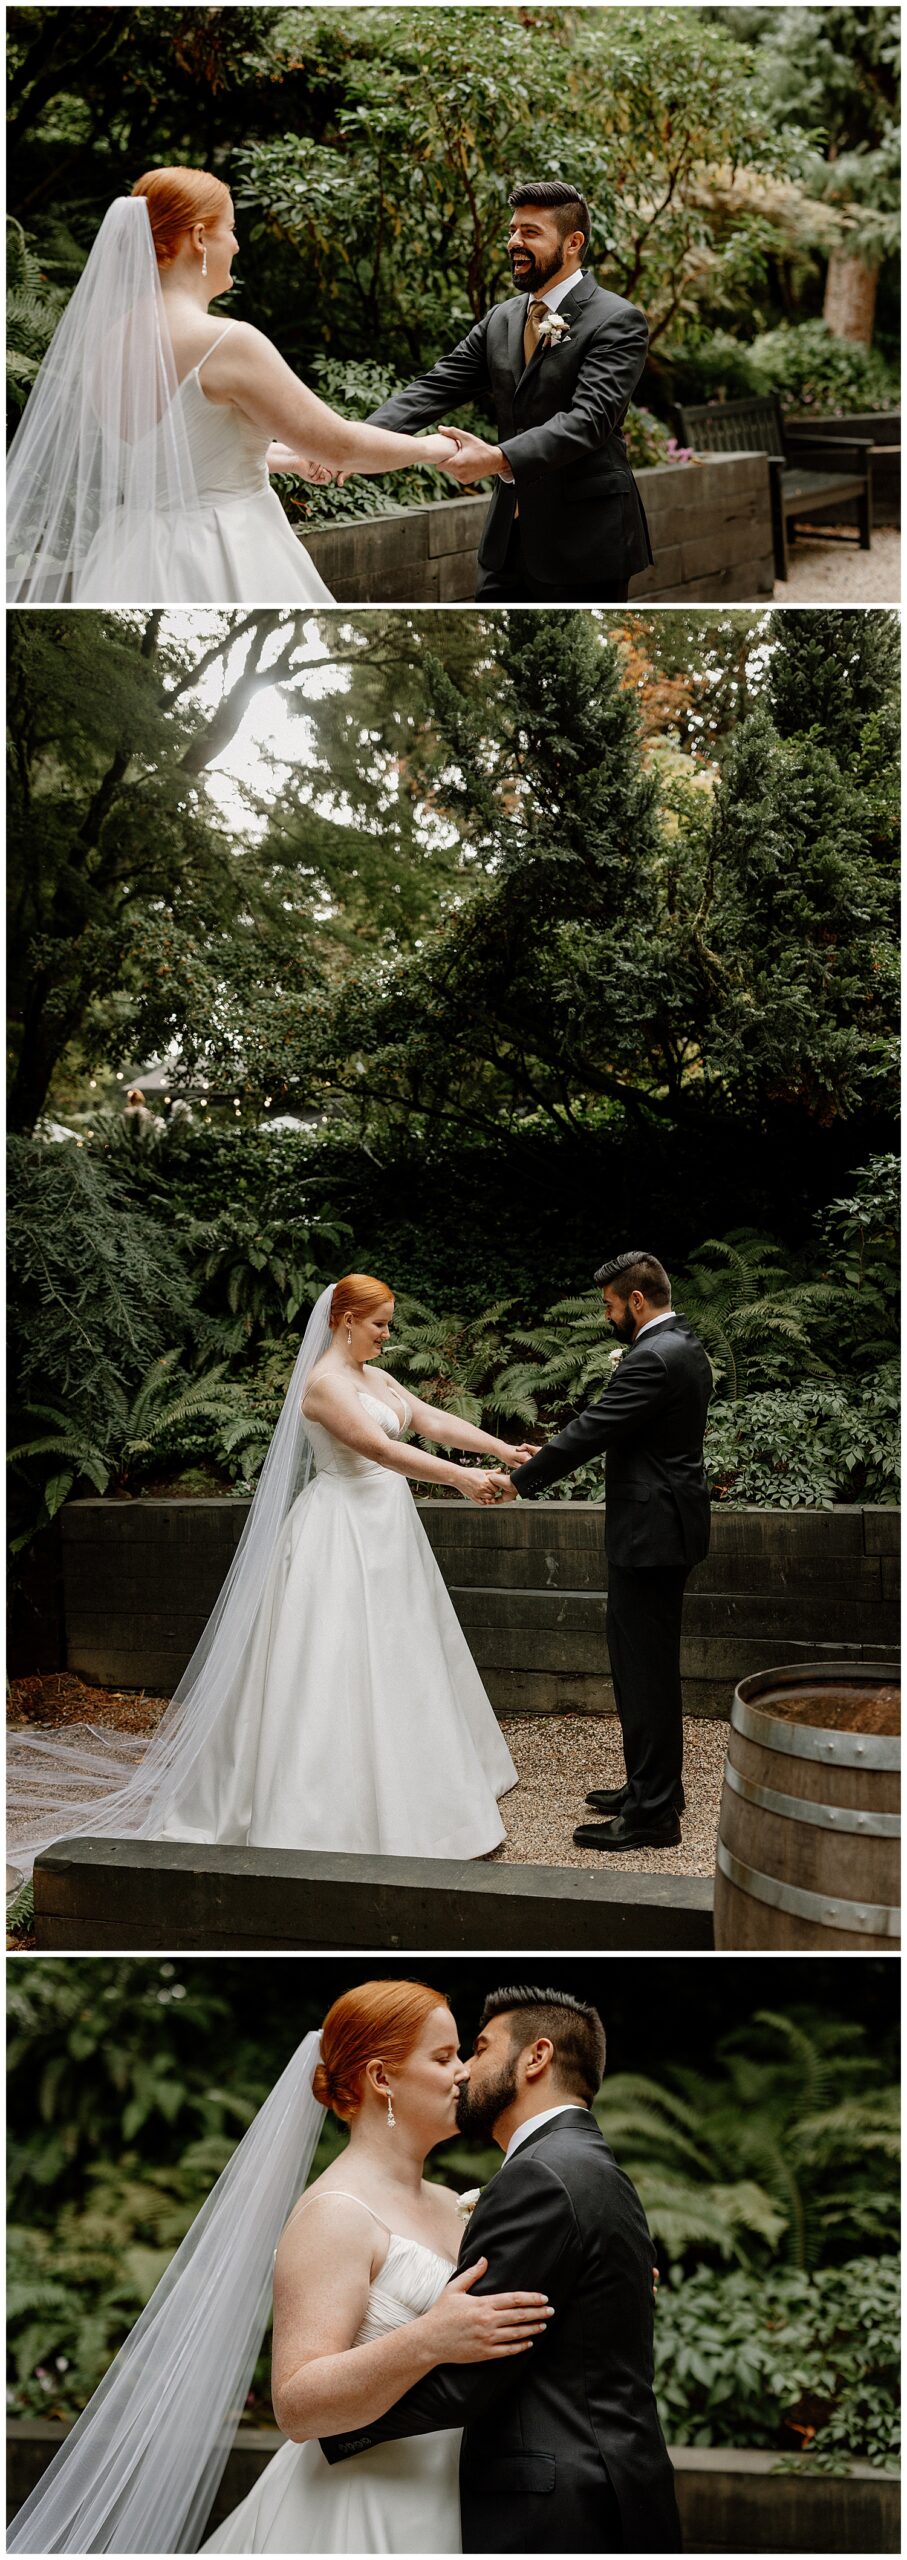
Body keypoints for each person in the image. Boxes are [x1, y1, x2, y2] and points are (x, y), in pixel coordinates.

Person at [8, 1979, 554, 2557]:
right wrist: (430, 2339)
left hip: (463, 2499)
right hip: (361, 2509)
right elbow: (296, 2405)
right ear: (382, 2078)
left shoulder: (454, 2204)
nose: (465, 2072)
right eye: (443, 2058)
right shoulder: (336, 2213)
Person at [7, 1276, 534, 1872]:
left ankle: (425, 1784)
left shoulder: (372, 1376)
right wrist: (461, 1480)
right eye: (380, 1323)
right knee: (334, 1659)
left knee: (400, 1648)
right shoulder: (324, 1387)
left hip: (388, 1529)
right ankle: (329, 1805)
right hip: (342, 1531)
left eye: (389, 1323)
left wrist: (500, 1450)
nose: (388, 1334)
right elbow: (380, 1450)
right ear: (345, 1320)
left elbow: (428, 1419)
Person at [320, 1982, 681, 2555]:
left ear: (536, 2057)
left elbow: (472, 2378)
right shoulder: (598, 2168)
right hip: (617, 2483)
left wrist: (335, 2427)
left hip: (555, 2509)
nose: (465, 2071)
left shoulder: (538, 2174)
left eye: (480, 2049)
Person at [6, 168, 460, 604]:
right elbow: (340, 447)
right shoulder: (225, 342)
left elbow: (175, 456)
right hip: (221, 547)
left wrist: (289, 459)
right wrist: (436, 450)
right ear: (200, 238)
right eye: (231, 229)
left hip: (127, 552)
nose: (238, 245)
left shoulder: (106, 342)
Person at [489, 1252, 713, 1852]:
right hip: (665, 1527)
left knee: (644, 1674)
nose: (608, 1315)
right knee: (646, 1669)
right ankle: (652, 1787)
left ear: (636, 1301)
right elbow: (621, 1427)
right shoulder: (684, 1345)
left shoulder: (652, 1358)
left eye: (610, 1305)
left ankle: (653, 1815)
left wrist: (520, 1479)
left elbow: (594, 1429)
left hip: (651, 1536)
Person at [360, 178, 653, 603]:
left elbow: (590, 420)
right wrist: (354, 442)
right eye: (513, 230)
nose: (514, 241)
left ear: (572, 242)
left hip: (586, 542)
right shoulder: (502, 318)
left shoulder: (618, 319)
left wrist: (497, 458)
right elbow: (435, 387)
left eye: (530, 233)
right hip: (506, 542)